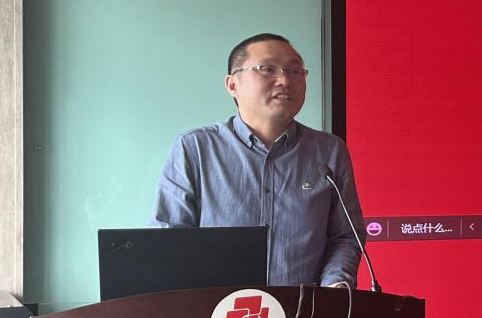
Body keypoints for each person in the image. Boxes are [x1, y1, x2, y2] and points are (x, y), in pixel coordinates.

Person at [150, 32, 365, 287]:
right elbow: (168, 241)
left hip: (305, 309)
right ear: (232, 85)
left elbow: (345, 236)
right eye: (268, 69)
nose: (285, 80)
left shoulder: (329, 151)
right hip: (218, 310)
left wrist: (336, 287)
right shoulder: (195, 148)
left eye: (295, 71)